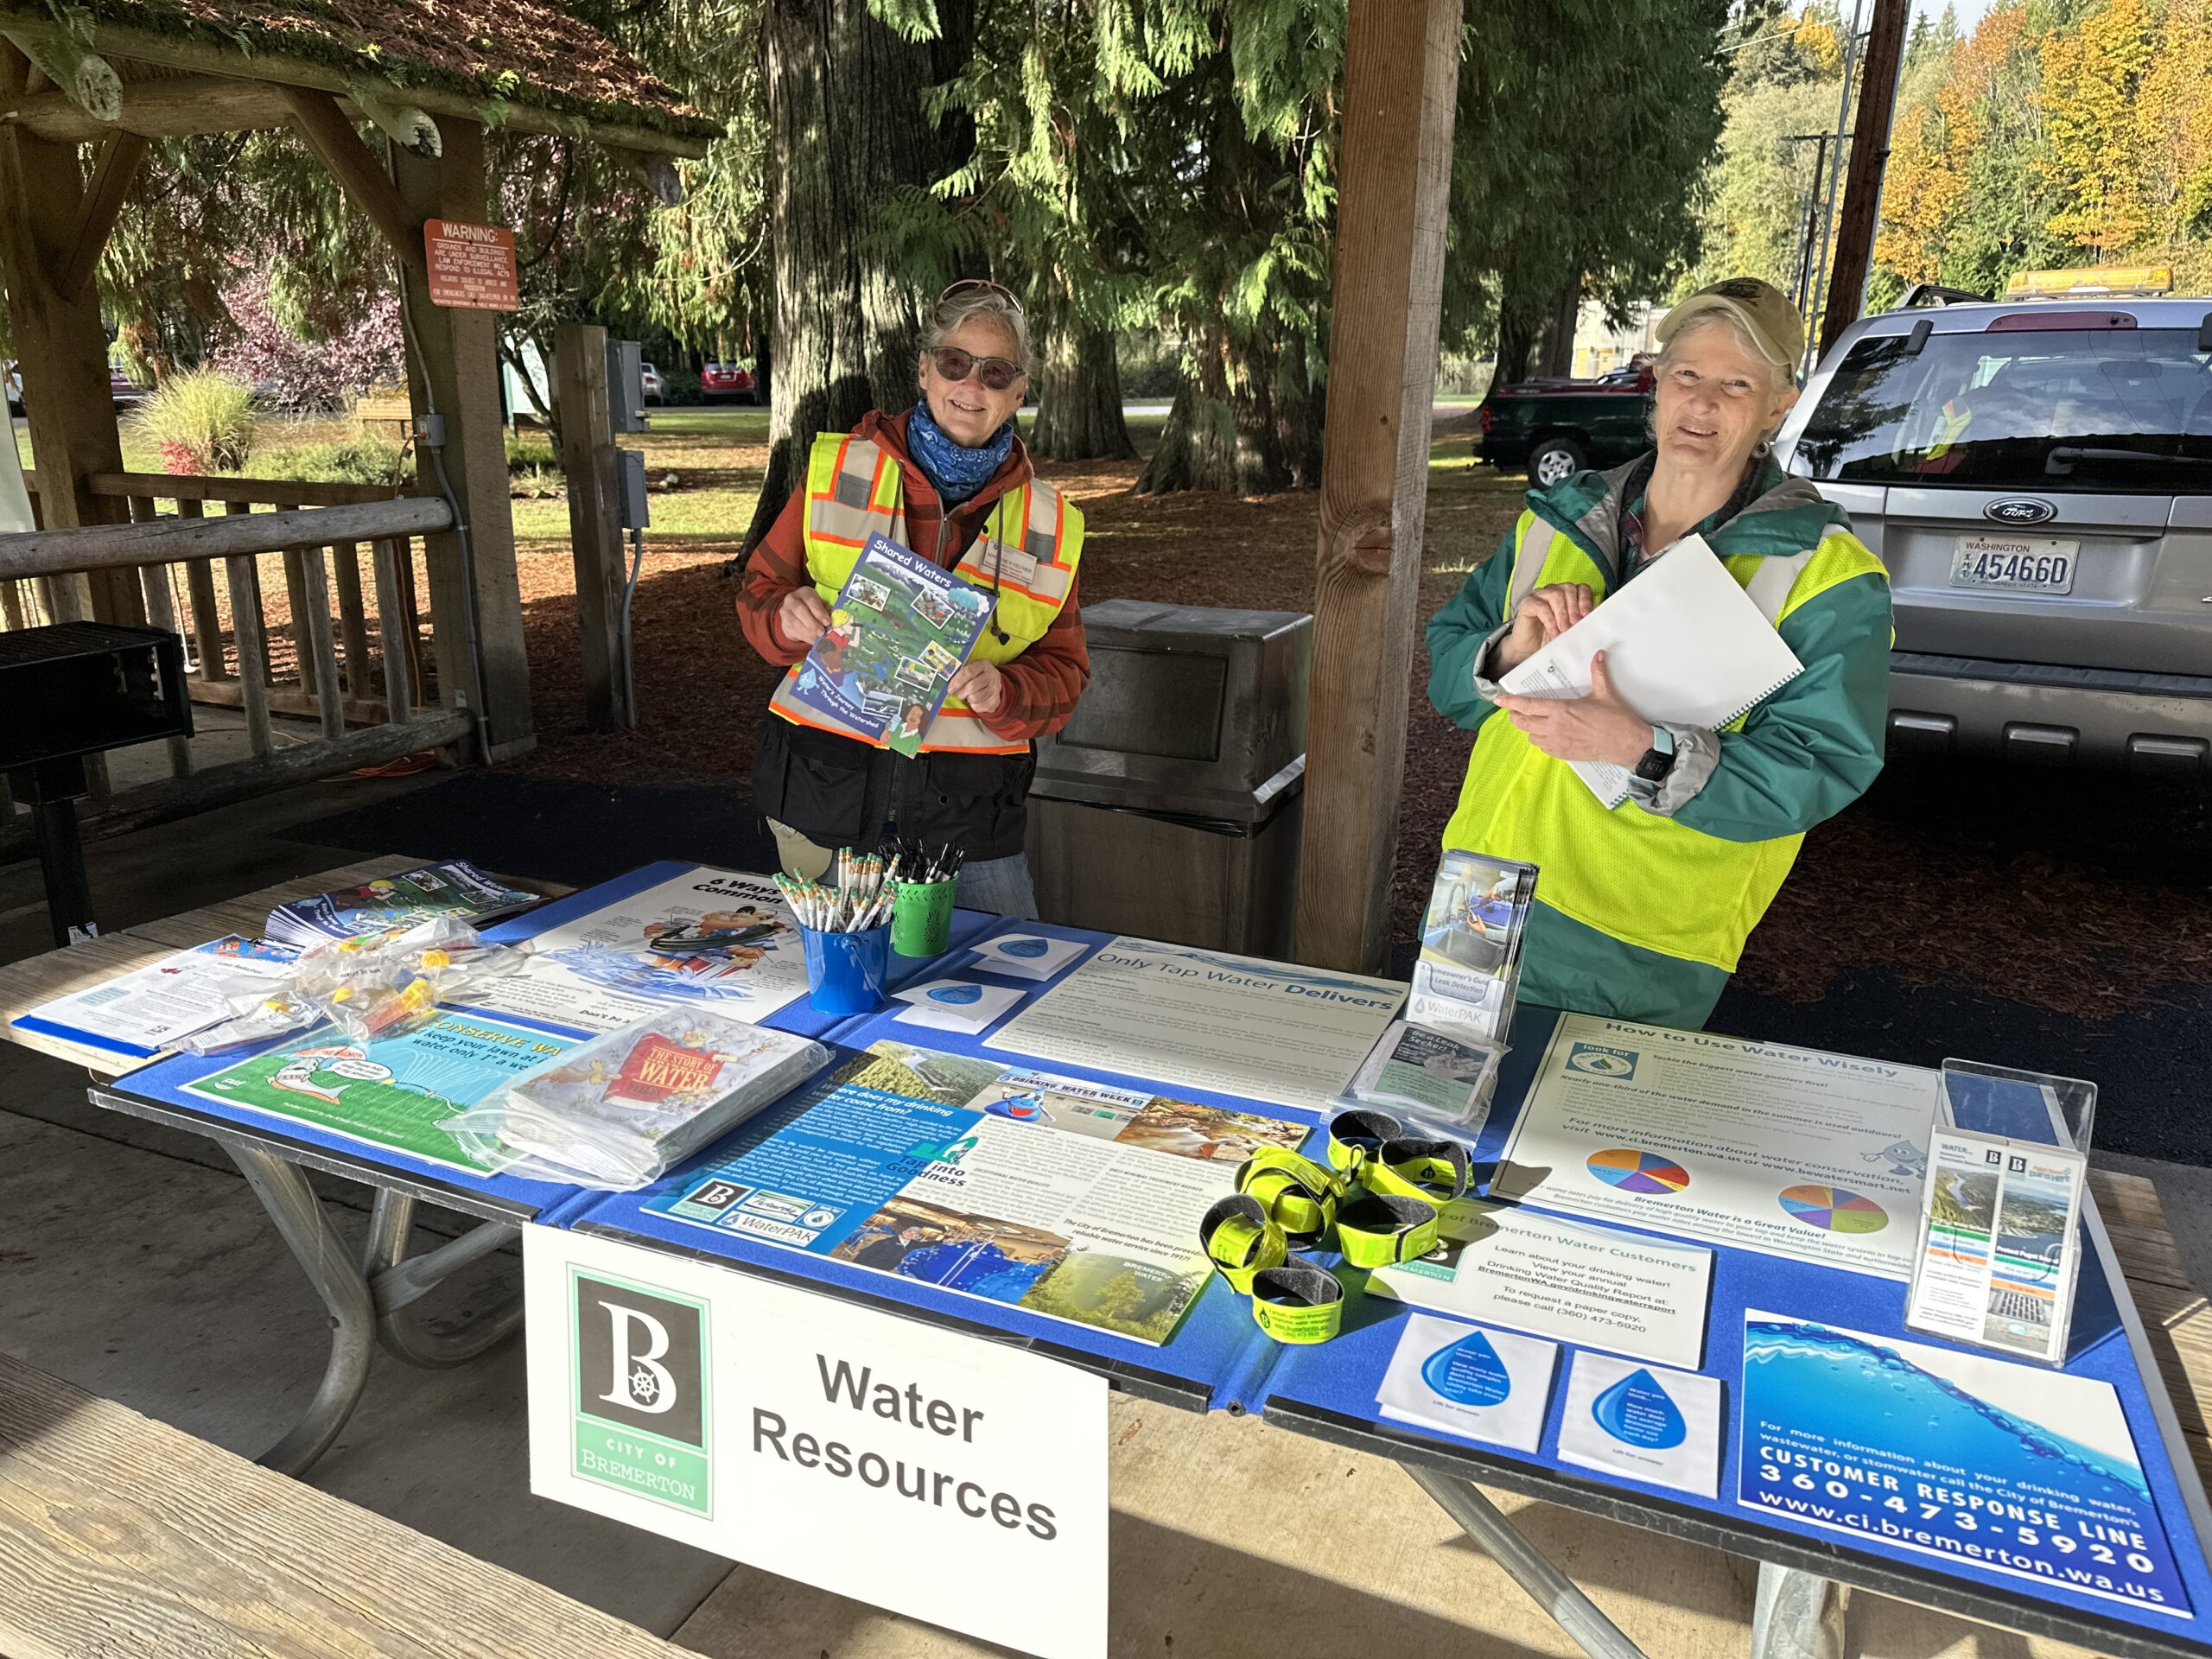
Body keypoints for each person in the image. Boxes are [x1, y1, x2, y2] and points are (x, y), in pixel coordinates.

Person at [1426, 277, 1891, 1029]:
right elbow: (1449, 669)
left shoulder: (1826, 575)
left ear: (1780, 403)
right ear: (1657, 383)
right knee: (1432, 1117)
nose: (1703, 404)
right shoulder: (1561, 515)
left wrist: (1642, 749)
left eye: (1736, 384)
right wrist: (1512, 648)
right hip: (1481, 886)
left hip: (1633, 935)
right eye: (1687, 375)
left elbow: (1821, 766)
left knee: (1577, 1145)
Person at [737, 281, 1087, 919]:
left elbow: (1065, 675)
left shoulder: (1048, 524)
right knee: (820, 1004)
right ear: (925, 368)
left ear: (1019, 392)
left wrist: (1007, 694)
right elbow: (759, 598)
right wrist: (786, 620)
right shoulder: (841, 471)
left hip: (968, 825)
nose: (971, 386)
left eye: (996, 372)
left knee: (1000, 1001)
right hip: (827, 805)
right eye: (955, 363)